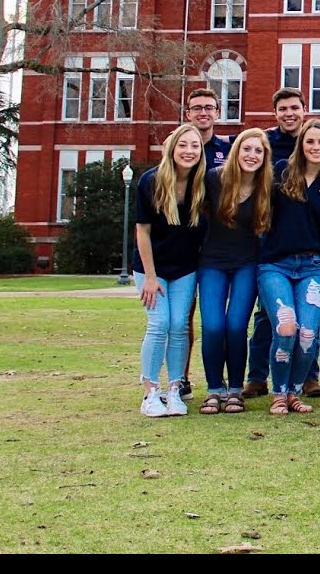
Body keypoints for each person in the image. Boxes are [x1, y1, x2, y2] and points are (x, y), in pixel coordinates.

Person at [245, 88, 320, 399]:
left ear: (304, 110)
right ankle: (257, 376)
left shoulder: (319, 143)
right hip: (273, 238)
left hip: (309, 241)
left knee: (308, 317)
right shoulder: (267, 143)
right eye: (283, 109)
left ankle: (308, 377)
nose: (289, 114)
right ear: (275, 113)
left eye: (294, 107)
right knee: (269, 313)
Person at [257, 119, 320, 415]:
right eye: (310, 141)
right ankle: (278, 392)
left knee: (307, 333)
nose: (316, 147)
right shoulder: (281, 171)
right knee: (286, 326)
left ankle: (293, 392)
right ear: (301, 145)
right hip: (275, 264)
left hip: (313, 266)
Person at [196, 128, 271, 415]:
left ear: (264, 157)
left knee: (236, 326)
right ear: (236, 151)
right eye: (247, 149)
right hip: (212, 262)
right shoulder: (214, 180)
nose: (252, 155)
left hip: (247, 264)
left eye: (258, 151)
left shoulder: (266, 188)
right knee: (214, 326)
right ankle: (215, 389)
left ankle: (236, 390)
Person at [133, 124, 207, 417]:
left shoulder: (201, 185)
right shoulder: (151, 181)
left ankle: (174, 389)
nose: (189, 151)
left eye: (195, 146)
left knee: (179, 326)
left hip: (186, 268)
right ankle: (150, 392)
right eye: (183, 145)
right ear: (172, 148)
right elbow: (142, 231)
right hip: (152, 268)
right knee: (159, 323)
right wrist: (150, 277)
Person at [176, 88, 232, 401]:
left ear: (217, 112)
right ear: (188, 113)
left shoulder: (227, 148)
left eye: (209, 108)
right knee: (184, 316)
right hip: (185, 242)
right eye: (197, 108)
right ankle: (181, 377)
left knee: (219, 317)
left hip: (220, 244)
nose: (203, 113)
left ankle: (224, 377)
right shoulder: (178, 147)